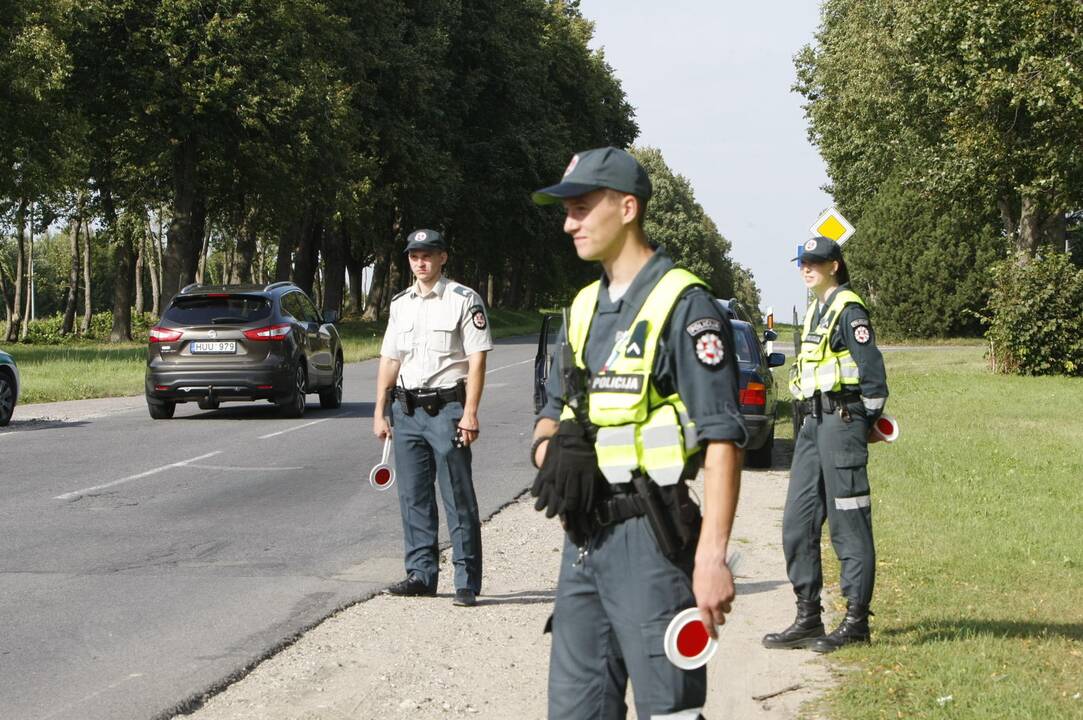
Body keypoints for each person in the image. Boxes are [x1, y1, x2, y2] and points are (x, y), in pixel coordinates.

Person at [530, 147, 746, 719]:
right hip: (583, 544)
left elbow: (723, 437)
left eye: (580, 208)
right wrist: (551, 450)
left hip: (651, 539)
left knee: (669, 711)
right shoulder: (582, 308)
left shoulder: (683, 303)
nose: (568, 223)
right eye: (567, 212)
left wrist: (712, 556)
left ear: (627, 208)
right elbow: (552, 412)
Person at [762, 235, 888, 653]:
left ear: (835, 264)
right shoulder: (816, 310)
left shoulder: (848, 309)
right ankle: (808, 616)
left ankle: (855, 621)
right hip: (812, 425)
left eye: (815, 261)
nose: (806, 267)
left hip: (842, 420)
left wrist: (864, 423)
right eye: (801, 262)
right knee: (797, 522)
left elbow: (873, 376)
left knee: (848, 520)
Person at [373, 229, 493, 608]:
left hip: (446, 411)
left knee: (457, 496)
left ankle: (465, 580)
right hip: (406, 412)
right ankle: (421, 575)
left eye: (427, 255)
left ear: (443, 258)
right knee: (413, 497)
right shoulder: (400, 304)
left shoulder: (463, 300)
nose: (420, 262)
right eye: (414, 256)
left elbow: (477, 360)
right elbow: (391, 359)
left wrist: (470, 413)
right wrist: (380, 411)